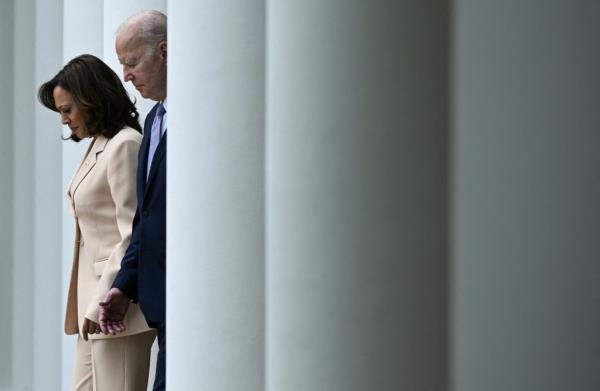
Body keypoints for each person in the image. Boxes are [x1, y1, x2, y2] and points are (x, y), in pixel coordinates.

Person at [38, 54, 155, 391]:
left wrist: (104, 296)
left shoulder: (125, 145)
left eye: (67, 110)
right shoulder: (99, 145)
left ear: (91, 99)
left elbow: (132, 231)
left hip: (116, 307)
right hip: (92, 306)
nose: (64, 120)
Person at [98, 10, 168, 391]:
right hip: (160, 300)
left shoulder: (200, 119)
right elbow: (146, 219)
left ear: (165, 51)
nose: (125, 75)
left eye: (131, 63)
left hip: (195, 291)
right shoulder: (155, 119)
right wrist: (123, 287)